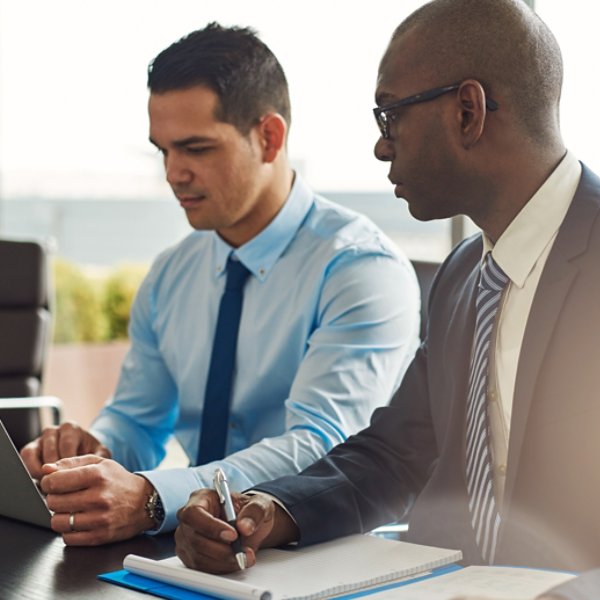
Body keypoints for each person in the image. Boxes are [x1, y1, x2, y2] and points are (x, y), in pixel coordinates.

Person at [172, 2, 600, 598]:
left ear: (468, 112)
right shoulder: (460, 278)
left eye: (390, 115)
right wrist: (266, 510)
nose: (380, 147)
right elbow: (397, 453)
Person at [19, 23, 420, 546]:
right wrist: (94, 451)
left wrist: (151, 499)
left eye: (195, 149)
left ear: (269, 138)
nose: (173, 173)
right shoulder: (170, 274)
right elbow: (139, 421)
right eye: (162, 150)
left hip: (326, 545)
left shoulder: (360, 269)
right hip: (195, 543)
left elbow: (319, 447)